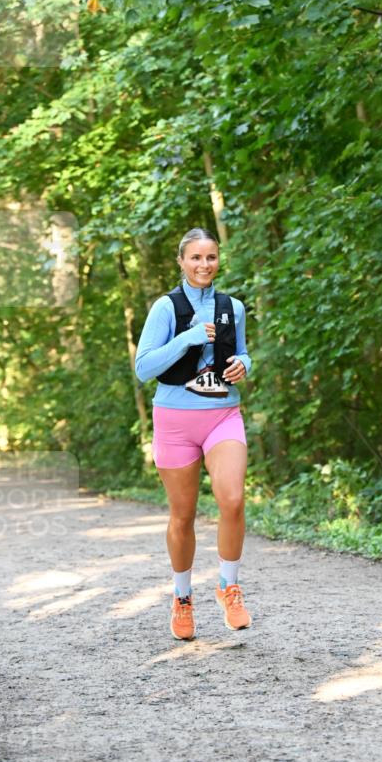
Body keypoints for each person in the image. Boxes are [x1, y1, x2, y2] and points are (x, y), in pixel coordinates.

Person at [135, 228, 252, 642]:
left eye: (212, 257)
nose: (205, 265)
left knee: (233, 499)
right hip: (175, 419)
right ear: (181, 262)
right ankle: (182, 598)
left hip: (222, 414)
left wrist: (244, 365)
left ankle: (228, 585)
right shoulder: (165, 308)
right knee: (183, 515)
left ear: (219, 260)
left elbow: (241, 351)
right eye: (196, 258)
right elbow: (143, 368)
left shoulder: (231, 307)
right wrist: (185, 337)